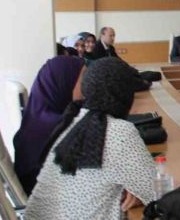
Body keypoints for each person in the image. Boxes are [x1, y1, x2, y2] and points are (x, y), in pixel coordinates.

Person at [24, 57, 155, 220]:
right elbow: (156, 190)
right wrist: (138, 193)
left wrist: (134, 188)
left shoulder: (71, 121)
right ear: (126, 94)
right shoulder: (120, 132)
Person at [13, 56, 86, 194]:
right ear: (65, 83)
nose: (87, 87)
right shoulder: (61, 130)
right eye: (83, 81)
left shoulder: (34, 121)